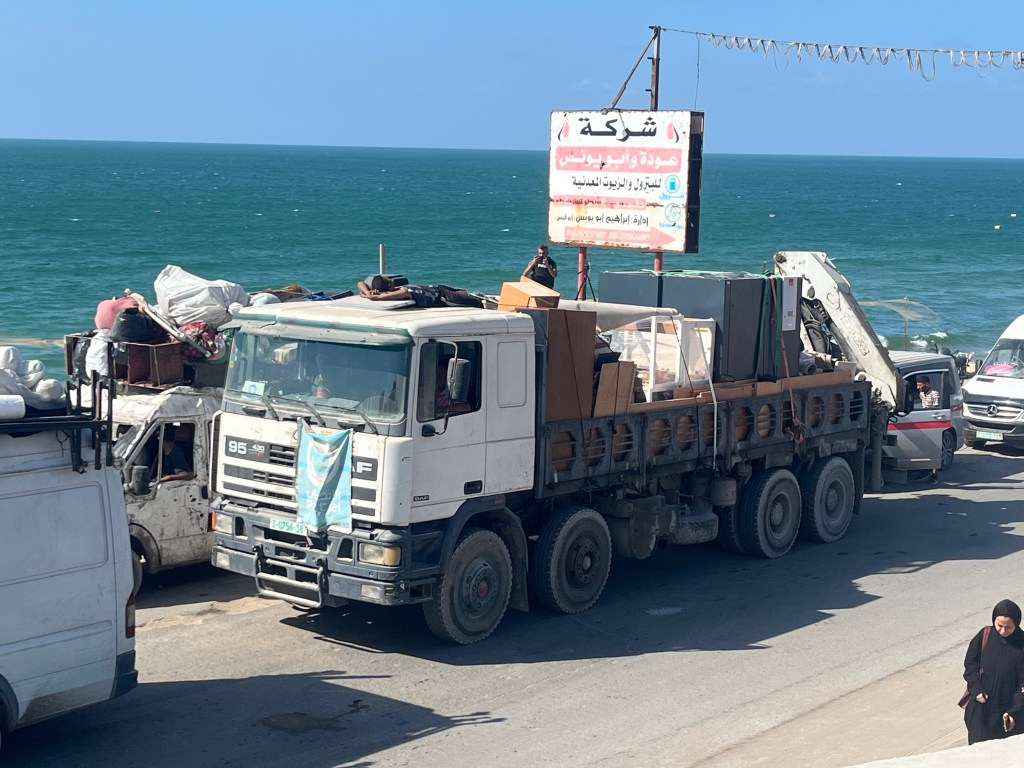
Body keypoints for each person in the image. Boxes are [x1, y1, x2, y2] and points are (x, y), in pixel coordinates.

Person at [962, 599, 1024, 745]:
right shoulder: (985, 635)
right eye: (999, 626)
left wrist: (1014, 712)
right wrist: (976, 689)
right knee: (978, 749)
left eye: (1008, 627)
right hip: (981, 709)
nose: (1003, 631)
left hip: (1008, 712)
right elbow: (971, 665)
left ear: (1017, 624)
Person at [357, 276, 482, 308]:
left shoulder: (391, 290)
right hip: (442, 298)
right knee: (476, 303)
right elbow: (404, 293)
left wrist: (367, 293)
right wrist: (373, 296)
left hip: (438, 289)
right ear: (389, 286)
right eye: (389, 280)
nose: (391, 279)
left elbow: (360, 283)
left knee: (464, 293)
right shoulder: (399, 293)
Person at [916, 376, 941, 484]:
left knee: (934, 449)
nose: (918, 387)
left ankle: (935, 475)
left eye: (920, 385)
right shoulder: (922, 394)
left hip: (933, 423)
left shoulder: (934, 394)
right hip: (924, 422)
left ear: (927, 384)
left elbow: (936, 408)